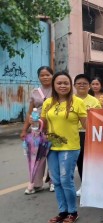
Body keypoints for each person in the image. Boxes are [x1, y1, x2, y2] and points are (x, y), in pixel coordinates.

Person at [41, 71, 87, 223]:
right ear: (54, 85)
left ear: (70, 85)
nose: (62, 86)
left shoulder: (77, 102)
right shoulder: (48, 103)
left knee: (66, 180)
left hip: (70, 146)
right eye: (59, 83)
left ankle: (73, 212)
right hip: (51, 146)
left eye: (66, 83)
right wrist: (36, 129)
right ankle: (62, 212)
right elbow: (42, 124)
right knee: (56, 181)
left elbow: (88, 126)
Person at [21, 66, 55, 194]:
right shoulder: (35, 92)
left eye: (48, 75)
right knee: (36, 156)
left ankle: (53, 182)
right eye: (42, 75)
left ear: (52, 76)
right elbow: (29, 113)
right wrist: (24, 130)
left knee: (52, 155)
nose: (45, 77)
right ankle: (37, 183)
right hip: (36, 129)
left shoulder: (57, 90)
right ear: (38, 77)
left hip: (53, 128)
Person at [74, 74, 101, 197]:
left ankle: (91, 184)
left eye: (84, 83)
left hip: (88, 134)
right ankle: (84, 184)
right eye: (79, 83)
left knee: (89, 161)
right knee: (79, 161)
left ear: (89, 86)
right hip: (72, 133)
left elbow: (100, 118)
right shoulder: (70, 99)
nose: (81, 85)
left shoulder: (94, 101)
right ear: (74, 85)